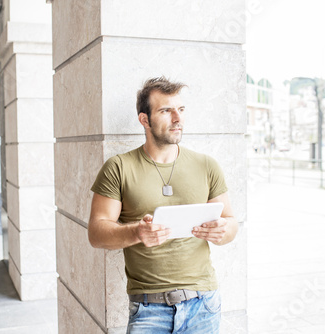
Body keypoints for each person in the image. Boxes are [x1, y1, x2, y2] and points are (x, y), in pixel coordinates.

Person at [88, 77, 239, 333]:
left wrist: (223, 230)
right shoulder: (119, 167)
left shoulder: (207, 165)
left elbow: (231, 223)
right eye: (166, 111)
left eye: (180, 110)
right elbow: (96, 233)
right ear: (144, 119)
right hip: (148, 309)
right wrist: (137, 232)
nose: (177, 118)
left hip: (203, 303)